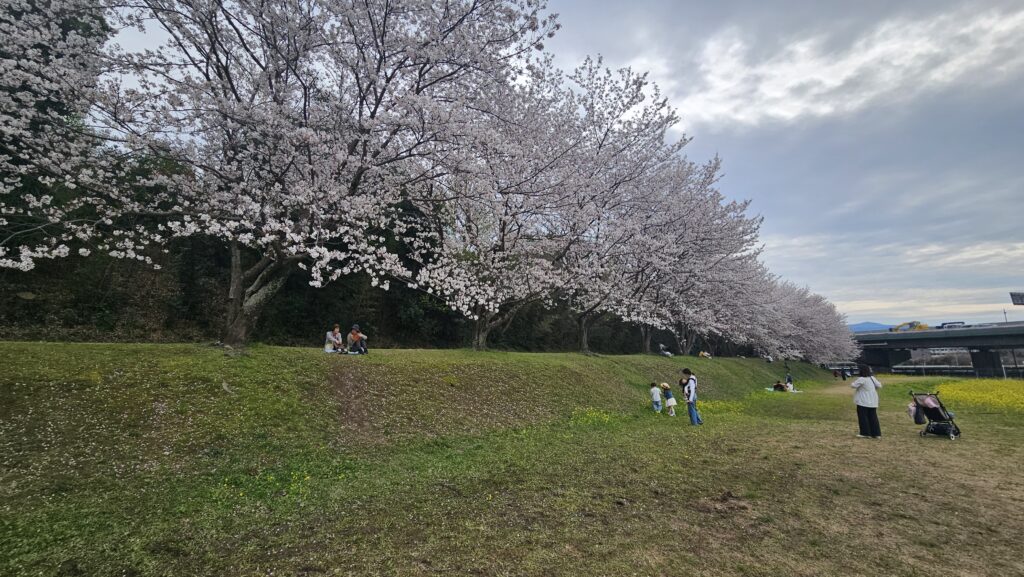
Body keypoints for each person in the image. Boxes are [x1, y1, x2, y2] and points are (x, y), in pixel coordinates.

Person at [850, 364, 882, 438]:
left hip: (863, 401)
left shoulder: (861, 379)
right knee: (873, 417)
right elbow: (879, 385)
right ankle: (876, 433)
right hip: (873, 400)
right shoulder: (872, 378)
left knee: (863, 417)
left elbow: (853, 385)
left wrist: (853, 382)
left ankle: (865, 433)